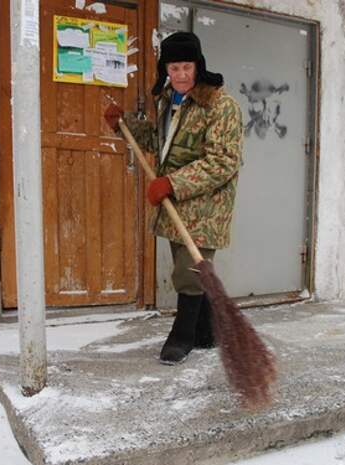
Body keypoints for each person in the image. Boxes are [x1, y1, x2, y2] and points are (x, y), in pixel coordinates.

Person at [104, 31, 243, 365]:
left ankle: (182, 336)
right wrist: (125, 124)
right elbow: (157, 141)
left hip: (206, 202)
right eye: (174, 67)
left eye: (187, 67)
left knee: (188, 271)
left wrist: (172, 183)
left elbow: (223, 162)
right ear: (165, 68)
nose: (180, 74)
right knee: (193, 267)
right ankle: (207, 332)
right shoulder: (168, 98)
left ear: (198, 66)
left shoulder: (221, 105)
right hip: (176, 198)